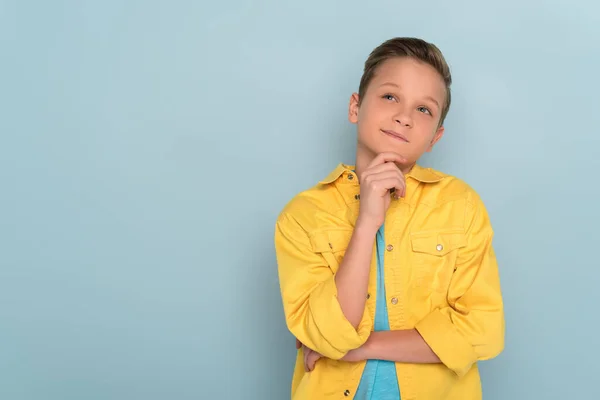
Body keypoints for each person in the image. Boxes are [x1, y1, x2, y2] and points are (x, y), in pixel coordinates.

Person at [274, 37, 504, 400]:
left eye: (424, 110)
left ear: (435, 138)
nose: (404, 117)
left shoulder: (461, 206)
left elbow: (483, 331)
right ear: (355, 106)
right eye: (390, 97)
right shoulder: (304, 216)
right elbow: (326, 335)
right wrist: (366, 223)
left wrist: (362, 347)